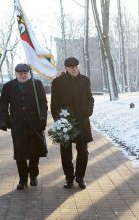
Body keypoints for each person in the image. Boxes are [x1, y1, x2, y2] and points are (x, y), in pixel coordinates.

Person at [0, 63, 48, 190]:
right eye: (20, 73)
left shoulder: (36, 85)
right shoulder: (8, 86)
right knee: (20, 153)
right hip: (18, 125)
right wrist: (4, 121)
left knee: (34, 152)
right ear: (16, 74)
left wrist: (43, 118)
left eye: (25, 73)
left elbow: (43, 103)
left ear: (28, 73)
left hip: (35, 124)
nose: (23, 75)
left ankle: (34, 175)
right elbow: (3, 105)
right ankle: (23, 179)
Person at [51, 57, 94, 189]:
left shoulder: (85, 80)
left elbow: (89, 98)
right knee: (65, 152)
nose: (74, 69)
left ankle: (80, 177)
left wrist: (88, 111)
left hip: (82, 121)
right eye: (71, 67)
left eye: (76, 66)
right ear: (66, 68)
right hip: (65, 122)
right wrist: (59, 120)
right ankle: (69, 178)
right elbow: (54, 103)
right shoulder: (58, 82)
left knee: (83, 151)